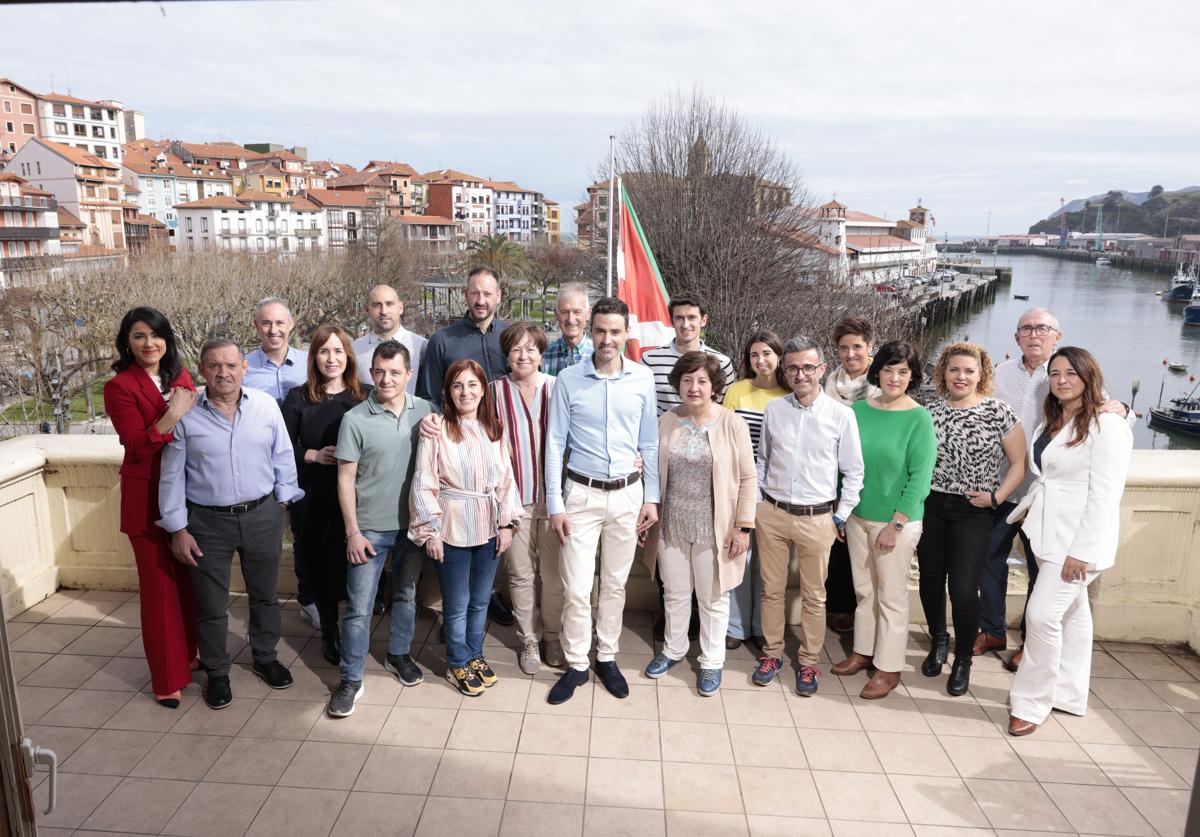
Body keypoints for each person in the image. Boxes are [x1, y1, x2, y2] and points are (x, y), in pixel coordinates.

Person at [976, 308, 1132, 670]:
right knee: (990, 561)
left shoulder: (1068, 372)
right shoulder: (999, 374)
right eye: (1026, 329)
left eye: (1042, 329)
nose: (1034, 335)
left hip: (1047, 498)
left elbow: (1107, 411)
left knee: (1040, 570)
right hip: (1005, 487)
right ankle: (992, 629)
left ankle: (1030, 644)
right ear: (1016, 338)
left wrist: (1124, 409)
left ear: (1056, 336)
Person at [158, 338, 303, 710]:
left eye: (231, 365)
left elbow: (283, 456)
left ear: (245, 367)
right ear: (202, 370)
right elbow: (171, 476)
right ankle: (217, 672)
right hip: (207, 522)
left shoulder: (266, 406)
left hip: (262, 515)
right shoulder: (186, 415)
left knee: (266, 596)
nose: (224, 372)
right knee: (211, 604)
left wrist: (282, 504)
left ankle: (266, 657)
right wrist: (177, 528)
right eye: (214, 365)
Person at [1007, 347, 1132, 736]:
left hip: (1077, 543)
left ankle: (1030, 702)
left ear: (1088, 376)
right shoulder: (1054, 418)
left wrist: (1083, 551)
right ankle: (1068, 693)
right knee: (1074, 616)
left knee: (1042, 616)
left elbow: (1105, 494)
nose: (1062, 380)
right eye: (1056, 373)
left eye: (1070, 373)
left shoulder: (1107, 425)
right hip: (1046, 532)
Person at [544, 296, 660, 705]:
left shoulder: (642, 379)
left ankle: (607, 657)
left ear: (626, 333)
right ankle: (577, 664)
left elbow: (650, 441)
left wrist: (652, 498)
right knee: (576, 587)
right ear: (589, 332)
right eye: (600, 331)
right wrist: (555, 504)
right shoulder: (569, 380)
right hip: (580, 495)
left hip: (628, 495)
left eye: (614, 332)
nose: (607, 339)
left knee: (614, 585)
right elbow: (555, 443)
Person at [326, 341, 434, 718]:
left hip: (413, 527)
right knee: (358, 608)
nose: (386, 379)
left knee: (406, 597)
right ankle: (350, 680)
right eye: (379, 371)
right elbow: (344, 479)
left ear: (408, 374)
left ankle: (399, 654)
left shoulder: (427, 412)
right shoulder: (355, 419)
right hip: (369, 529)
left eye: (394, 372)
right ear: (371, 373)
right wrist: (352, 532)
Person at [755, 336, 864, 696]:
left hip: (818, 518)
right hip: (772, 513)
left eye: (807, 367)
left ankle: (809, 661)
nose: (800, 374)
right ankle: (771, 654)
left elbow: (854, 471)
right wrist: (758, 503)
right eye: (792, 368)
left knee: (815, 596)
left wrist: (839, 516)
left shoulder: (841, 415)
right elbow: (763, 460)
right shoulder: (774, 410)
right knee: (771, 590)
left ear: (821, 369)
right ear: (784, 371)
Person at [642, 352, 756, 696]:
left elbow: (749, 478)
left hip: (715, 527)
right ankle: (674, 650)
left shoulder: (731, 423)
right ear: (678, 384)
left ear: (715, 386)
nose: (694, 387)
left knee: (712, 598)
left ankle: (710, 662)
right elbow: (651, 468)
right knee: (675, 594)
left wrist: (743, 526)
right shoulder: (667, 420)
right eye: (687, 380)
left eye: (702, 381)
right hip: (672, 524)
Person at [916, 342, 1026, 697]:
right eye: (954, 370)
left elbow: (1019, 464)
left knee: (964, 589)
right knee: (931, 581)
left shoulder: (999, 412)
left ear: (981, 375)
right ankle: (938, 641)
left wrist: (996, 497)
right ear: (943, 373)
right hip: (932, 505)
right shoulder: (929, 412)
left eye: (969, 371)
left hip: (974, 511)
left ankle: (963, 659)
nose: (961, 377)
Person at [103, 307, 198, 708]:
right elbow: (137, 446)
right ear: (127, 341)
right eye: (139, 336)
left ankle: (191, 655)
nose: (149, 343)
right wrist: (172, 415)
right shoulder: (119, 387)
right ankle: (166, 678)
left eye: (156, 335)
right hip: (146, 503)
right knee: (159, 593)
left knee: (191, 586)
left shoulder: (179, 374)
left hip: (187, 497)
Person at [409, 359, 522, 696]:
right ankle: (457, 661)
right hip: (453, 527)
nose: (465, 392)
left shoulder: (494, 429)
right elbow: (424, 481)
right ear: (448, 391)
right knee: (456, 604)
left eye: (472, 384)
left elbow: (506, 480)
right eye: (458, 385)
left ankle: (475, 655)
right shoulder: (437, 430)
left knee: (479, 601)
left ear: (483, 389)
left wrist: (506, 526)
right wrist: (431, 531)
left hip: (488, 525)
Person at [831, 342, 936, 700]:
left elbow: (919, 478)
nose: (895, 377)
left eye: (903, 371)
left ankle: (889, 668)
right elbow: (845, 465)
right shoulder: (858, 411)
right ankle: (863, 652)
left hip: (896, 523)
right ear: (877, 371)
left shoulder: (919, 418)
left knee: (891, 597)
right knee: (864, 592)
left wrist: (896, 524)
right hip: (858, 517)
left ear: (912, 376)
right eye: (889, 369)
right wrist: (843, 514)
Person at [281, 325, 367, 667]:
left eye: (337, 351)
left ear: (348, 355)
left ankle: (356, 630)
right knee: (321, 568)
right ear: (314, 357)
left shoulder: (365, 397)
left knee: (354, 568)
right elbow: (282, 447)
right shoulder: (297, 398)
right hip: (313, 496)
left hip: (358, 497)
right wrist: (313, 455)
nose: (332, 359)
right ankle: (329, 632)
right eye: (323, 351)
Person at [490, 322, 565, 673]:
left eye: (531, 348)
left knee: (553, 576)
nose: (524, 355)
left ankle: (552, 636)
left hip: (553, 502)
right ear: (507, 354)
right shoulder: (493, 393)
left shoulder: (557, 388)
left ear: (540, 353)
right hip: (512, 500)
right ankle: (529, 642)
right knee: (520, 574)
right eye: (517, 348)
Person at [242, 297, 315, 629]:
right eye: (266, 323)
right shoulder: (242, 367)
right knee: (264, 545)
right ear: (257, 326)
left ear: (291, 325)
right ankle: (264, 607)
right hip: (260, 467)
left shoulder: (309, 363)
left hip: (305, 464)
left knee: (305, 536)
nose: (273, 330)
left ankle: (309, 598)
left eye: (280, 323)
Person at [722, 330, 789, 651]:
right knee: (739, 558)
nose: (761, 361)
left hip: (775, 490)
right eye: (754, 355)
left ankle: (762, 625)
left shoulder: (789, 395)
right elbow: (724, 439)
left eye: (767, 353)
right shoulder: (737, 391)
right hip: (738, 486)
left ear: (779, 356)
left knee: (768, 564)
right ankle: (736, 626)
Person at [822, 317, 881, 635]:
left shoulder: (882, 384)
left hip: (872, 475)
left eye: (857, 346)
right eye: (843, 348)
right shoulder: (830, 383)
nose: (850, 353)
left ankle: (868, 615)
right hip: (835, 474)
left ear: (869, 347)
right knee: (839, 545)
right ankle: (840, 607)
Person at [417, 267, 509, 409]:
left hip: (509, 427)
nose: (480, 301)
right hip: (459, 429)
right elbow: (430, 399)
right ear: (466, 294)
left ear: (498, 296)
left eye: (487, 294)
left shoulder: (512, 338)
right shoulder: (441, 342)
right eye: (475, 293)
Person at [640, 295, 735, 417]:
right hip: (662, 433)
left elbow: (724, 410)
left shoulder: (722, 363)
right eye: (679, 318)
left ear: (703, 320)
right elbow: (642, 406)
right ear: (671, 321)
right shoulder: (649, 360)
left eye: (692, 317)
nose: (685, 325)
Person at [352, 284, 427, 393]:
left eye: (389, 304)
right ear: (367, 310)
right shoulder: (354, 349)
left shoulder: (421, 347)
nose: (384, 311)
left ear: (401, 308)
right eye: (377, 305)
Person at [540, 282, 593, 376]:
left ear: (588, 314)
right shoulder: (543, 355)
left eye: (577, 312)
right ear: (556, 314)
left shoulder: (599, 355)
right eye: (564, 312)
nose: (570, 319)